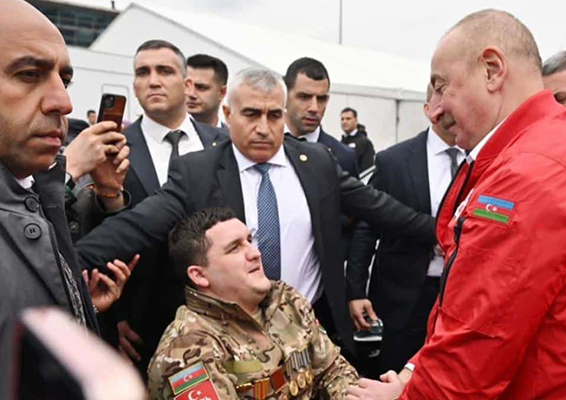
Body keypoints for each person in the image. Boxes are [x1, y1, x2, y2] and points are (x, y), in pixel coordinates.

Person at [346, 9, 566, 400]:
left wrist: (405, 396)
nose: (434, 110)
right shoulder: (553, 145)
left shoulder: (529, 174)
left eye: (441, 87)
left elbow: (472, 357)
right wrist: (416, 374)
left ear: (492, 70)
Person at [76, 67, 437, 363]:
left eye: (274, 115)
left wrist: (451, 233)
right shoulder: (198, 172)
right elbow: (137, 227)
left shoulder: (317, 165)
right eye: (251, 114)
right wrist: (64, 262)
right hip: (227, 345)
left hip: (310, 337)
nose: (264, 127)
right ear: (228, 115)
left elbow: (383, 210)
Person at [0, 1, 136, 398]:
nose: (64, 102)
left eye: (65, 80)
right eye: (29, 74)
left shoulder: (37, 193)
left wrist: (73, 302)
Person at [148, 207, 359, 400]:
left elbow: (331, 370)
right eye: (234, 248)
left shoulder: (285, 300)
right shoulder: (185, 350)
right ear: (199, 276)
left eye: (249, 240)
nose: (255, 253)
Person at [111, 40, 228, 375]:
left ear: (187, 84)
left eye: (164, 71)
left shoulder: (223, 144)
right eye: (142, 72)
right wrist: (111, 318)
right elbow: (100, 231)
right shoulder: (115, 147)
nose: (153, 81)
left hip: (222, 319)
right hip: (141, 328)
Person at [346, 84, 463, 375]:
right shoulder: (394, 160)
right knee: (395, 377)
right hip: (403, 298)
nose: (449, 110)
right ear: (427, 109)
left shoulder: (485, 160)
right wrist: (356, 290)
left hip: (460, 296)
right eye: (440, 102)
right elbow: (367, 226)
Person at [284, 57, 358, 178]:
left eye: (321, 99)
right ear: (285, 96)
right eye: (304, 97)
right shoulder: (263, 146)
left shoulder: (342, 156)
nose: (314, 108)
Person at [186, 54, 229, 132]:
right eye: (186, 85)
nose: (191, 94)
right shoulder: (165, 130)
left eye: (201, 87)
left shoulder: (233, 139)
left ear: (221, 93)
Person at [340, 108, 375, 172]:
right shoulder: (340, 143)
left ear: (356, 121)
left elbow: (368, 170)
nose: (344, 122)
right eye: (342, 119)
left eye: (348, 119)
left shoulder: (365, 143)